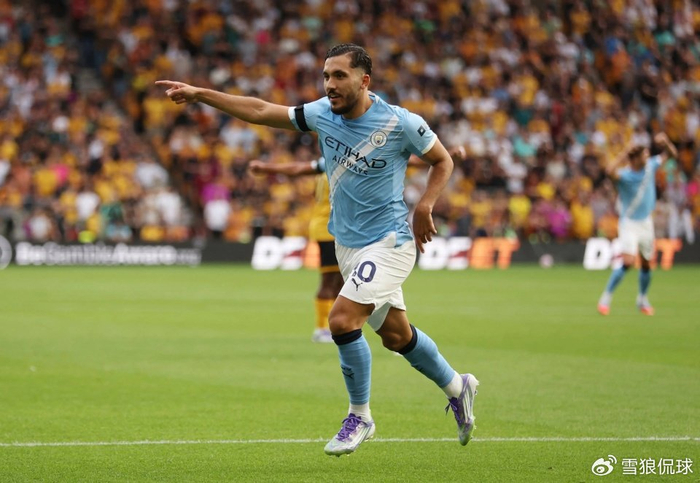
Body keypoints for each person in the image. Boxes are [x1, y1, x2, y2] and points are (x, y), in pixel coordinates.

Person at [157, 43, 478, 456]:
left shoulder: (400, 122)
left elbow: (442, 160)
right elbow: (260, 110)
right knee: (397, 336)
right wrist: (201, 94)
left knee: (341, 320)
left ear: (364, 80)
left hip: (390, 243)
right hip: (347, 245)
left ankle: (360, 417)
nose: (329, 84)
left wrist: (426, 205)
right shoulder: (322, 113)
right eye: (326, 76)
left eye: (339, 76)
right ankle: (457, 386)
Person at [249, 157, 342, 344]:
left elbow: (299, 169)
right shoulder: (340, 162)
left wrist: (266, 168)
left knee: (341, 282)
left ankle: (339, 325)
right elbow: (298, 169)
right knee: (330, 280)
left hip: (336, 229)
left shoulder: (329, 161)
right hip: (328, 230)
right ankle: (322, 328)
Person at [597, 132, 677, 316]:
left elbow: (672, 154)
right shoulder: (625, 176)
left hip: (646, 222)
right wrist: (624, 153)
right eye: (643, 155)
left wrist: (666, 142)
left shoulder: (650, 166)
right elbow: (609, 171)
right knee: (628, 261)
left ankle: (642, 299)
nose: (647, 157)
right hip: (629, 223)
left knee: (647, 264)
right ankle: (605, 298)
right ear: (634, 159)